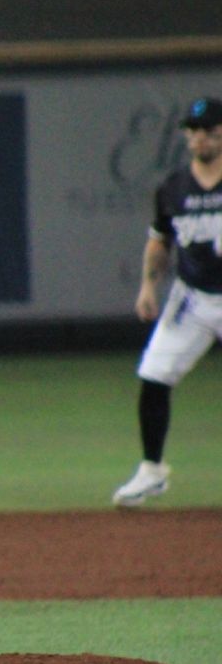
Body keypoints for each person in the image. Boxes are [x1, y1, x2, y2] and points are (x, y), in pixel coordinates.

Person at [112, 96, 222, 508]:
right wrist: (148, 287)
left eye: (209, 131)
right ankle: (152, 471)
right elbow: (160, 240)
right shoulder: (173, 187)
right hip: (192, 298)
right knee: (154, 375)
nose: (200, 138)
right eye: (193, 131)